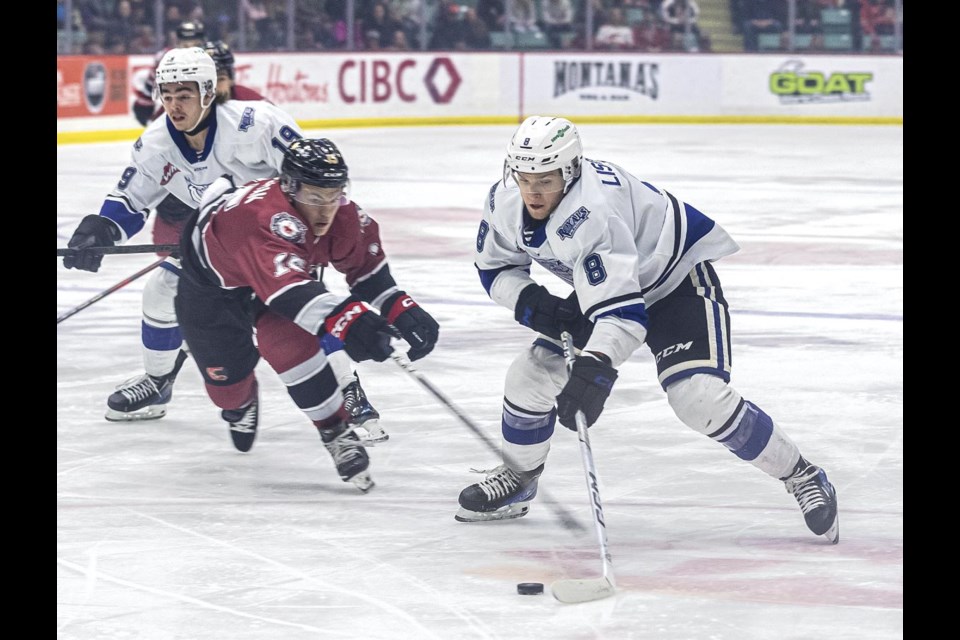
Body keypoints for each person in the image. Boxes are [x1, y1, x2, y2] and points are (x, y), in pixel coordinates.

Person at [456, 116, 839, 544]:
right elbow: (496, 266)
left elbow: (624, 317)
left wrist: (595, 368)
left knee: (698, 398)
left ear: (569, 171)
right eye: (525, 178)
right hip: (605, 287)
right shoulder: (505, 199)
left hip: (676, 284)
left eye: (544, 180)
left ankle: (801, 474)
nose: (532, 191)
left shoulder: (594, 209)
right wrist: (531, 303)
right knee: (531, 374)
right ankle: (520, 477)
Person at [61, 48, 384, 442]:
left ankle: (348, 392)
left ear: (209, 92)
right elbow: (129, 200)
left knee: (299, 315)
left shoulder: (257, 124)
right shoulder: (156, 143)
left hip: (275, 246)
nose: (174, 105)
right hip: (214, 252)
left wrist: (313, 236)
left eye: (185, 94)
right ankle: (159, 382)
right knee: (160, 293)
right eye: (167, 94)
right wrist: (100, 230)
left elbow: (317, 179)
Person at [175, 138, 440, 490]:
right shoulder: (265, 219)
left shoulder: (342, 214)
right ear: (289, 188)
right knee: (227, 388)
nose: (326, 209)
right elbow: (292, 295)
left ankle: (335, 430)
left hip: (280, 276)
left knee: (291, 344)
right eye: (315, 198)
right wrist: (354, 321)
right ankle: (239, 405)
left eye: (334, 195)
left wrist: (400, 308)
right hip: (213, 286)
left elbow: (367, 271)